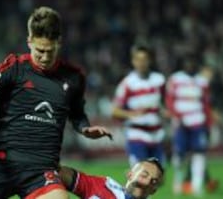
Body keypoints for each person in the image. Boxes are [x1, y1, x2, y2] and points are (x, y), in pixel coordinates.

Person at [0, 6, 111, 199]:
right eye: (40, 51)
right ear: (29, 41)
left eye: (51, 50)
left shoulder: (74, 77)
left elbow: (77, 113)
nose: (46, 57)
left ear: (59, 42)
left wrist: (84, 128)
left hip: (41, 169)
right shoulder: (14, 66)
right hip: (1, 164)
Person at [112, 45, 166, 166]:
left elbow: (164, 103)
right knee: (141, 173)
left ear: (150, 61)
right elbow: (115, 111)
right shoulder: (128, 83)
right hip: (136, 133)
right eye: (138, 59)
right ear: (133, 61)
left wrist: (165, 112)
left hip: (156, 134)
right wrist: (132, 114)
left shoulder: (159, 80)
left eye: (144, 59)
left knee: (157, 176)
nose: (141, 63)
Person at [166, 56, 213, 196]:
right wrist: (176, 116)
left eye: (193, 62)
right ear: (183, 64)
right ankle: (178, 181)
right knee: (179, 155)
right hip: (181, 122)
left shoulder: (202, 81)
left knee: (199, 153)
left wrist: (208, 123)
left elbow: (205, 104)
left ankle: (197, 186)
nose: (190, 65)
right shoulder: (175, 79)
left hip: (198, 122)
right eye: (187, 62)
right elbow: (169, 100)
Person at [59, 157, 164, 199]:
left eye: (154, 181)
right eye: (144, 175)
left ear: (154, 191)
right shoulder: (104, 186)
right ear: (129, 174)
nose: (147, 181)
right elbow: (61, 173)